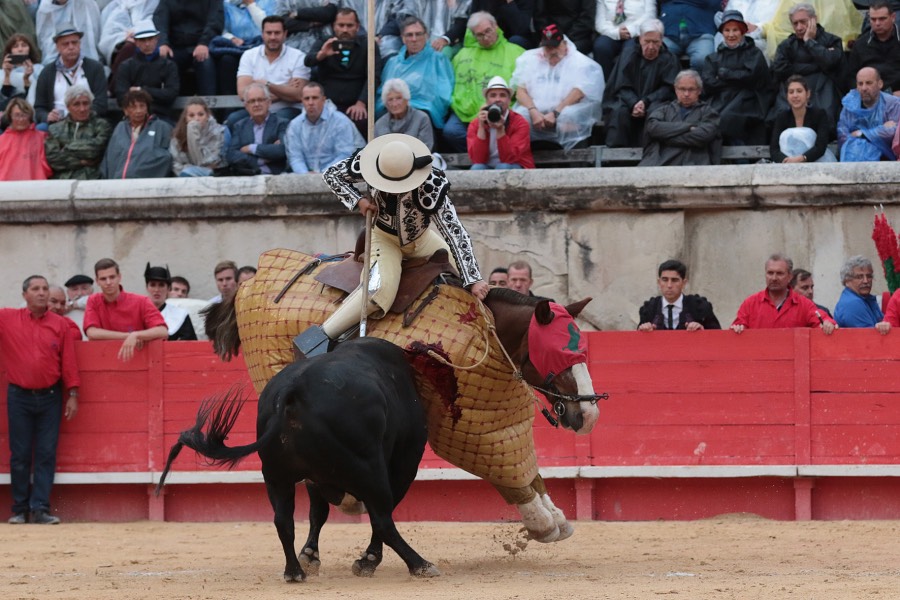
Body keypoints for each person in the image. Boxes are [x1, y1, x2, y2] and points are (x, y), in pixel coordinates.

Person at [296, 133, 490, 356]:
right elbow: (331, 175)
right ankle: (319, 338)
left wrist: (473, 279)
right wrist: (358, 200)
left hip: (422, 240)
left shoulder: (431, 185)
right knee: (378, 291)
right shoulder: (368, 160)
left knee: (462, 274)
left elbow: (455, 233)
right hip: (384, 239)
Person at [0, 275, 80, 525]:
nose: (42, 293)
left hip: (51, 397)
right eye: (36, 289)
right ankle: (19, 509)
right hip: (19, 396)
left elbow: (68, 361)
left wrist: (73, 394)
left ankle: (41, 509)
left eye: (45, 288)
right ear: (25, 295)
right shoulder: (6, 318)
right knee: (20, 454)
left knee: (46, 453)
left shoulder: (60, 324)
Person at [511, 24, 605, 150]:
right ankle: (522, 159)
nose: (552, 51)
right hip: (537, 112)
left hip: (565, 111)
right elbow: (520, 92)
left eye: (555, 46)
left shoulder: (580, 62)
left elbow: (578, 93)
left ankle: (575, 161)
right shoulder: (529, 59)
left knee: (569, 117)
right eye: (548, 48)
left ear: (564, 44)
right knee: (519, 117)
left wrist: (556, 113)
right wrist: (533, 111)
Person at [442, 11, 525, 153]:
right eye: (480, 35)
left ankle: (489, 151)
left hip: (504, 110)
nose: (486, 37)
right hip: (465, 113)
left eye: (488, 31)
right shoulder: (462, 56)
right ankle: (482, 152)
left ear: (496, 26)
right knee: (451, 131)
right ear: (473, 35)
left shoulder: (516, 52)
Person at [303, 8, 382, 138]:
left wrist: (361, 103)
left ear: (357, 27)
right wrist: (322, 54)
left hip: (356, 105)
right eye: (341, 25)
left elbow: (374, 76)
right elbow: (308, 61)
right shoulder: (325, 42)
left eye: (349, 25)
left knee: (362, 121)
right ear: (334, 26)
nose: (345, 30)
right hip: (328, 104)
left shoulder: (368, 45)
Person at [601, 18, 679, 148]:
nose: (651, 47)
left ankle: (653, 153)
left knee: (657, 112)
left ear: (661, 40)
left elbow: (668, 88)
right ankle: (617, 156)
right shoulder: (628, 55)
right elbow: (620, 85)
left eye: (655, 42)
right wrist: (634, 103)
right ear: (640, 38)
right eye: (647, 41)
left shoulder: (669, 59)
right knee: (619, 111)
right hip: (627, 100)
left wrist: (646, 101)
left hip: (655, 102)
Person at [700, 10, 772, 146]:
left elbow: (752, 78)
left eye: (735, 30)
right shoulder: (713, 58)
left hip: (749, 100)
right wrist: (738, 78)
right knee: (708, 119)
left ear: (743, 32)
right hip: (720, 99)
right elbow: (708, 83)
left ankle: (741, 160)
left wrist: (725, 74)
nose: (731, 35)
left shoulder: (754, 53)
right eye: (727, 30)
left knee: (727, 119)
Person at [771, 3, 846, 129]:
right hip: (794, 88)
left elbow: (831, 62)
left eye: (803, 22)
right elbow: (780, 70)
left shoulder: (832, 40)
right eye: (795, 23)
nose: (799, 27)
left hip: (823, 89)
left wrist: (809, 42)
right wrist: (816, 66)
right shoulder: (786, 46)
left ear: (814, 20)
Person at [375, 16, 455, 130]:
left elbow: (444, 94)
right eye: (409, 35)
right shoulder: (393, 62)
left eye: (418, 34)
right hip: (392, 108)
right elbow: (383, 92)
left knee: (418, 118)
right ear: (403, 38)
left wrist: (411, 104)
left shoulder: (438, 59)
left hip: (424, 110)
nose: (414, 39)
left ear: (426, 36)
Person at [83, 258, 169, 361]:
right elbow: (92, 333)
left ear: (119, 277)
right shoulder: (93, 300)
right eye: (103, 279)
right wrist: (128, 336)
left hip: (138, 361)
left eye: (112, 277)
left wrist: (136, 335)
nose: (108, 282)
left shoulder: (141, 301)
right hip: (104, 361)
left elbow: (162, 331)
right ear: (97, 281)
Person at [231, 15, 309, 127]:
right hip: (255, 110)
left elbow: (297, 95)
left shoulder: (298, 57)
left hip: (287, 109)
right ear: (262, 34)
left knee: (277, 120)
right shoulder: (249, 55)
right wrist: (285, 88)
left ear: (285, 34)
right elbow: (243, 93)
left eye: (277, 33)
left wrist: (267, 85)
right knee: (233, 120)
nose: (273, 37)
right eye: (269, 33)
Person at [731, 253, 837, 334]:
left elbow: (822, 319)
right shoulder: (750, 303)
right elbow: (738, 326)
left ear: (790, 276)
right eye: (770, 273)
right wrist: (737, 328)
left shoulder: (804, 304)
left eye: (780, 273)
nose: (774, 278)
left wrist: (828, 323)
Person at [639, 69, 721, 166]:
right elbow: (653, 128)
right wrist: (688, 127)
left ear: (699, 91)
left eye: (691, 89)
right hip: (662, 164)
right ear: (676, 90)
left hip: (695, 165)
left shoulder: (709, 112)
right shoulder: (663, 110)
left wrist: (665, 137)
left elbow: (703, 136)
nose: (686, 94)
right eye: (682, 89)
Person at [33, 24, 108, 126]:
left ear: (80, 44)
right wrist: (47, 116)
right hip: (57, 124)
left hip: (88, 121)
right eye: (65, 44)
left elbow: (101, 103)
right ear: (57, 47)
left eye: (74, 43)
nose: (71, 47)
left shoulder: (95, 68)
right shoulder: (47, 73)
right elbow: (39, 107)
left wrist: (82, 115)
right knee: (41, 128)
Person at [284, 81, 364, 173]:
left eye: (315, 98)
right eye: (307, 98)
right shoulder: (295, 125)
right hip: (307, 176)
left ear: (323, 100)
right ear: (302, 101)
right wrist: (305, 175)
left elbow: (344, 155)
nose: (310, 102)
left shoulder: (340, 122)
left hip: (339, 174)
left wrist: (321, 174)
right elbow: (295, 157)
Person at [152, 0, 223, 96]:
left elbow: (215, 22)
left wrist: (203, 43)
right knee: (165, 61)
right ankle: (168, 107)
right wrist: (163, 43)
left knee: (205, 62)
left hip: (203, 45)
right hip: (176, 46)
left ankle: (209, 107)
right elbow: (160, 21)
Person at [114, 20, 180, 121]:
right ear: (136, 42)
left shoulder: (169, 65)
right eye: (142, 40)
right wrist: (156, 94)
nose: (147, 43)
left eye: (150, 39)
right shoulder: (126, 66)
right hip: (132, 118)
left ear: (156, 39)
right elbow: (121, 96)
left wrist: (141, 90)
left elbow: (171, 94)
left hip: (161, 116)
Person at [101, 89, 173, 178]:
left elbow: (167, 157)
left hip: (148, 184)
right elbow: (111, 158)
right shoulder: (120, 128)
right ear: (126, 110)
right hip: (118, 184)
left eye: (142, 106)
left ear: (147, 108)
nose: (138, 111)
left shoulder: (161, 127)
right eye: (133, 107)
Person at [44, 84, 113, 179]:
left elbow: (94, 151)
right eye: (76, 104)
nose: (82, 109)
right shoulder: (56, 129)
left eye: (85, 103)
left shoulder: (102, 125)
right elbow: (53, 159)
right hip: (62, 182)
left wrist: (66, 149)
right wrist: (81, 162)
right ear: (68, 107)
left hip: (93, 180)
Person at [211, 0, 278, 97]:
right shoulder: (226, 4)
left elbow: (268, 28)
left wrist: (250, 4)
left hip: (261, 45)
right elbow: (221, 29)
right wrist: (231, 38)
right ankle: (230, 106)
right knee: (226, 60)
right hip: (237, 47)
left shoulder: (269, 2)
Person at [467, 75, 534, 169]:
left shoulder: (519, 122)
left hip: (515, 165)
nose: (497, 99)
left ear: (509, 100)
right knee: (477, 168)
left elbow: (509, 158)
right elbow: (478, 160)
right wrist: (481, 127)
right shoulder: (475, 124)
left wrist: (500, 130)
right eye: (493, 95)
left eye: (502, 95)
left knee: (503, 167)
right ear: (487, 100)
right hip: (489, 166)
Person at [637, 259, 721, 331]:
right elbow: (638, 343)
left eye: (674, 280)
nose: (669, 285)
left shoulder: (699, 306)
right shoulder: (649, 308)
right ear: (659, 282)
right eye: (665, 280)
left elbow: (717, 337)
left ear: (683, 283)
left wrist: (702, 330)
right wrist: (643, 330)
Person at [838, 67, 900, 162]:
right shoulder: (849, 105)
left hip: (886, 158)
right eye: (860, 84)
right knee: (858, 149)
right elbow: (843, 136)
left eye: (869, 83)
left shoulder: (893, 104)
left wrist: (861, 133)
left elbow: (893, 132)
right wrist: (879, 130)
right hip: (854, 156)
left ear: (880, 84)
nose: (864, 88)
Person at [769, 75, 836, 163]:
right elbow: (774, 149)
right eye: (791, 92)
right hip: (788, 164)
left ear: (807, 94)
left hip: (816, 162)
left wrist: (802, 158)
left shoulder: (819, 114)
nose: (795, 95)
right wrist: (787, 161)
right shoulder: (782, 117)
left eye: (799, 91)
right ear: (787, 96)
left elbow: (820, 146)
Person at [226, 82, 289, 175]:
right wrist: (259, 160)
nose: (256, 104)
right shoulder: (239, 126)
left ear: (269, 102)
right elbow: (232, 155)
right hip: (248, 176)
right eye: (252, 101)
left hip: (275, 176)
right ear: (246, 106)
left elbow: (282, 150)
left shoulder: (282, 123)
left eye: (260, 100)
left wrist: (251, 148)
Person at [593, 0, 656, 79]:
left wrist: (630, 30)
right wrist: (616, 33)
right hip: (611, 32)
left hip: (636, 33)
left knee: (630, 50)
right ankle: (606, 84)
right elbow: (600, 23)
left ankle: (624, 86)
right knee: (601, 46)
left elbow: (650, 16)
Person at [849, 1, 900, 96]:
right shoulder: (860, 45)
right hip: (870, 99)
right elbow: (852, 78)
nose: (877, 23)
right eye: (873, 19)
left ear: (893, 17)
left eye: (882, 19)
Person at [169, 97, 228, 177]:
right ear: (185, 118)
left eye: (200, 114)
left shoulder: (219, 132)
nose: (196, 119)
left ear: (207, 116)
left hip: (213, 177)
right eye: (191, 115)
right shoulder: (177, 136)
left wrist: (193, 133)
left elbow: (211, 162)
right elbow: (175, 164)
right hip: (186, 177)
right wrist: (192, 169)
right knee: (187, 173)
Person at [443, 0, 535, 50]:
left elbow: (521, 29)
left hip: (511, 41)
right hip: (485, 37)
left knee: (516, 40)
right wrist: (447, 38)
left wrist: (510, 3)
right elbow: (471, 20)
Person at [833, 256, 891, 334]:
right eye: (859, 277)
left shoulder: (867, 299)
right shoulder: (852, 303)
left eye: (869, 276)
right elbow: (871, 339)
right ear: (846, 281)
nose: (866, 281)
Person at [374, 78, 434, 150]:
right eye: (390, 99)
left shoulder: (421, 118)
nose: (395, 104)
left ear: (407, 99)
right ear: (386, 104)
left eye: (399, 98)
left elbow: (425, 149)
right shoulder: (380, 124)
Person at [35, 0, 101, 65]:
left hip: (86, 57)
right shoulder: (45, 8)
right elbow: (44, 40)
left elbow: (92, 34)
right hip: (54, 58)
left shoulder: (85, 3)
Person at [0, 97, 52, 181]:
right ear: (10, 116)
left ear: (30, 116)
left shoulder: (42, 137)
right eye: (17, 115)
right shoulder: (1, 141)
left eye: (24, 115)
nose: (21, 119)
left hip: (35, 188)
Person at [659, 0, 719, 71]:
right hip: (670, 33)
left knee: (703, 59)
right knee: (659, 56)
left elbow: (714, 3)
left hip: (701, 34)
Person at [144, 263, 197, 341]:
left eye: (161, 285)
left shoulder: (180, 315)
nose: (156, 290)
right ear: (147, 287)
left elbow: (189, 346)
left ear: (168, 288)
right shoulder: (136, 312)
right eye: (152, 285)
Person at [2, 33, 43, 107]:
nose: (20, 49)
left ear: (29, 49)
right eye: (15, 46)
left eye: (24, 45)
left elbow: (41, 95)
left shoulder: (39, 69)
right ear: (10, 51)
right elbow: (4, 99)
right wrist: (7, 76)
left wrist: (27, 78)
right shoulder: (3, 73)